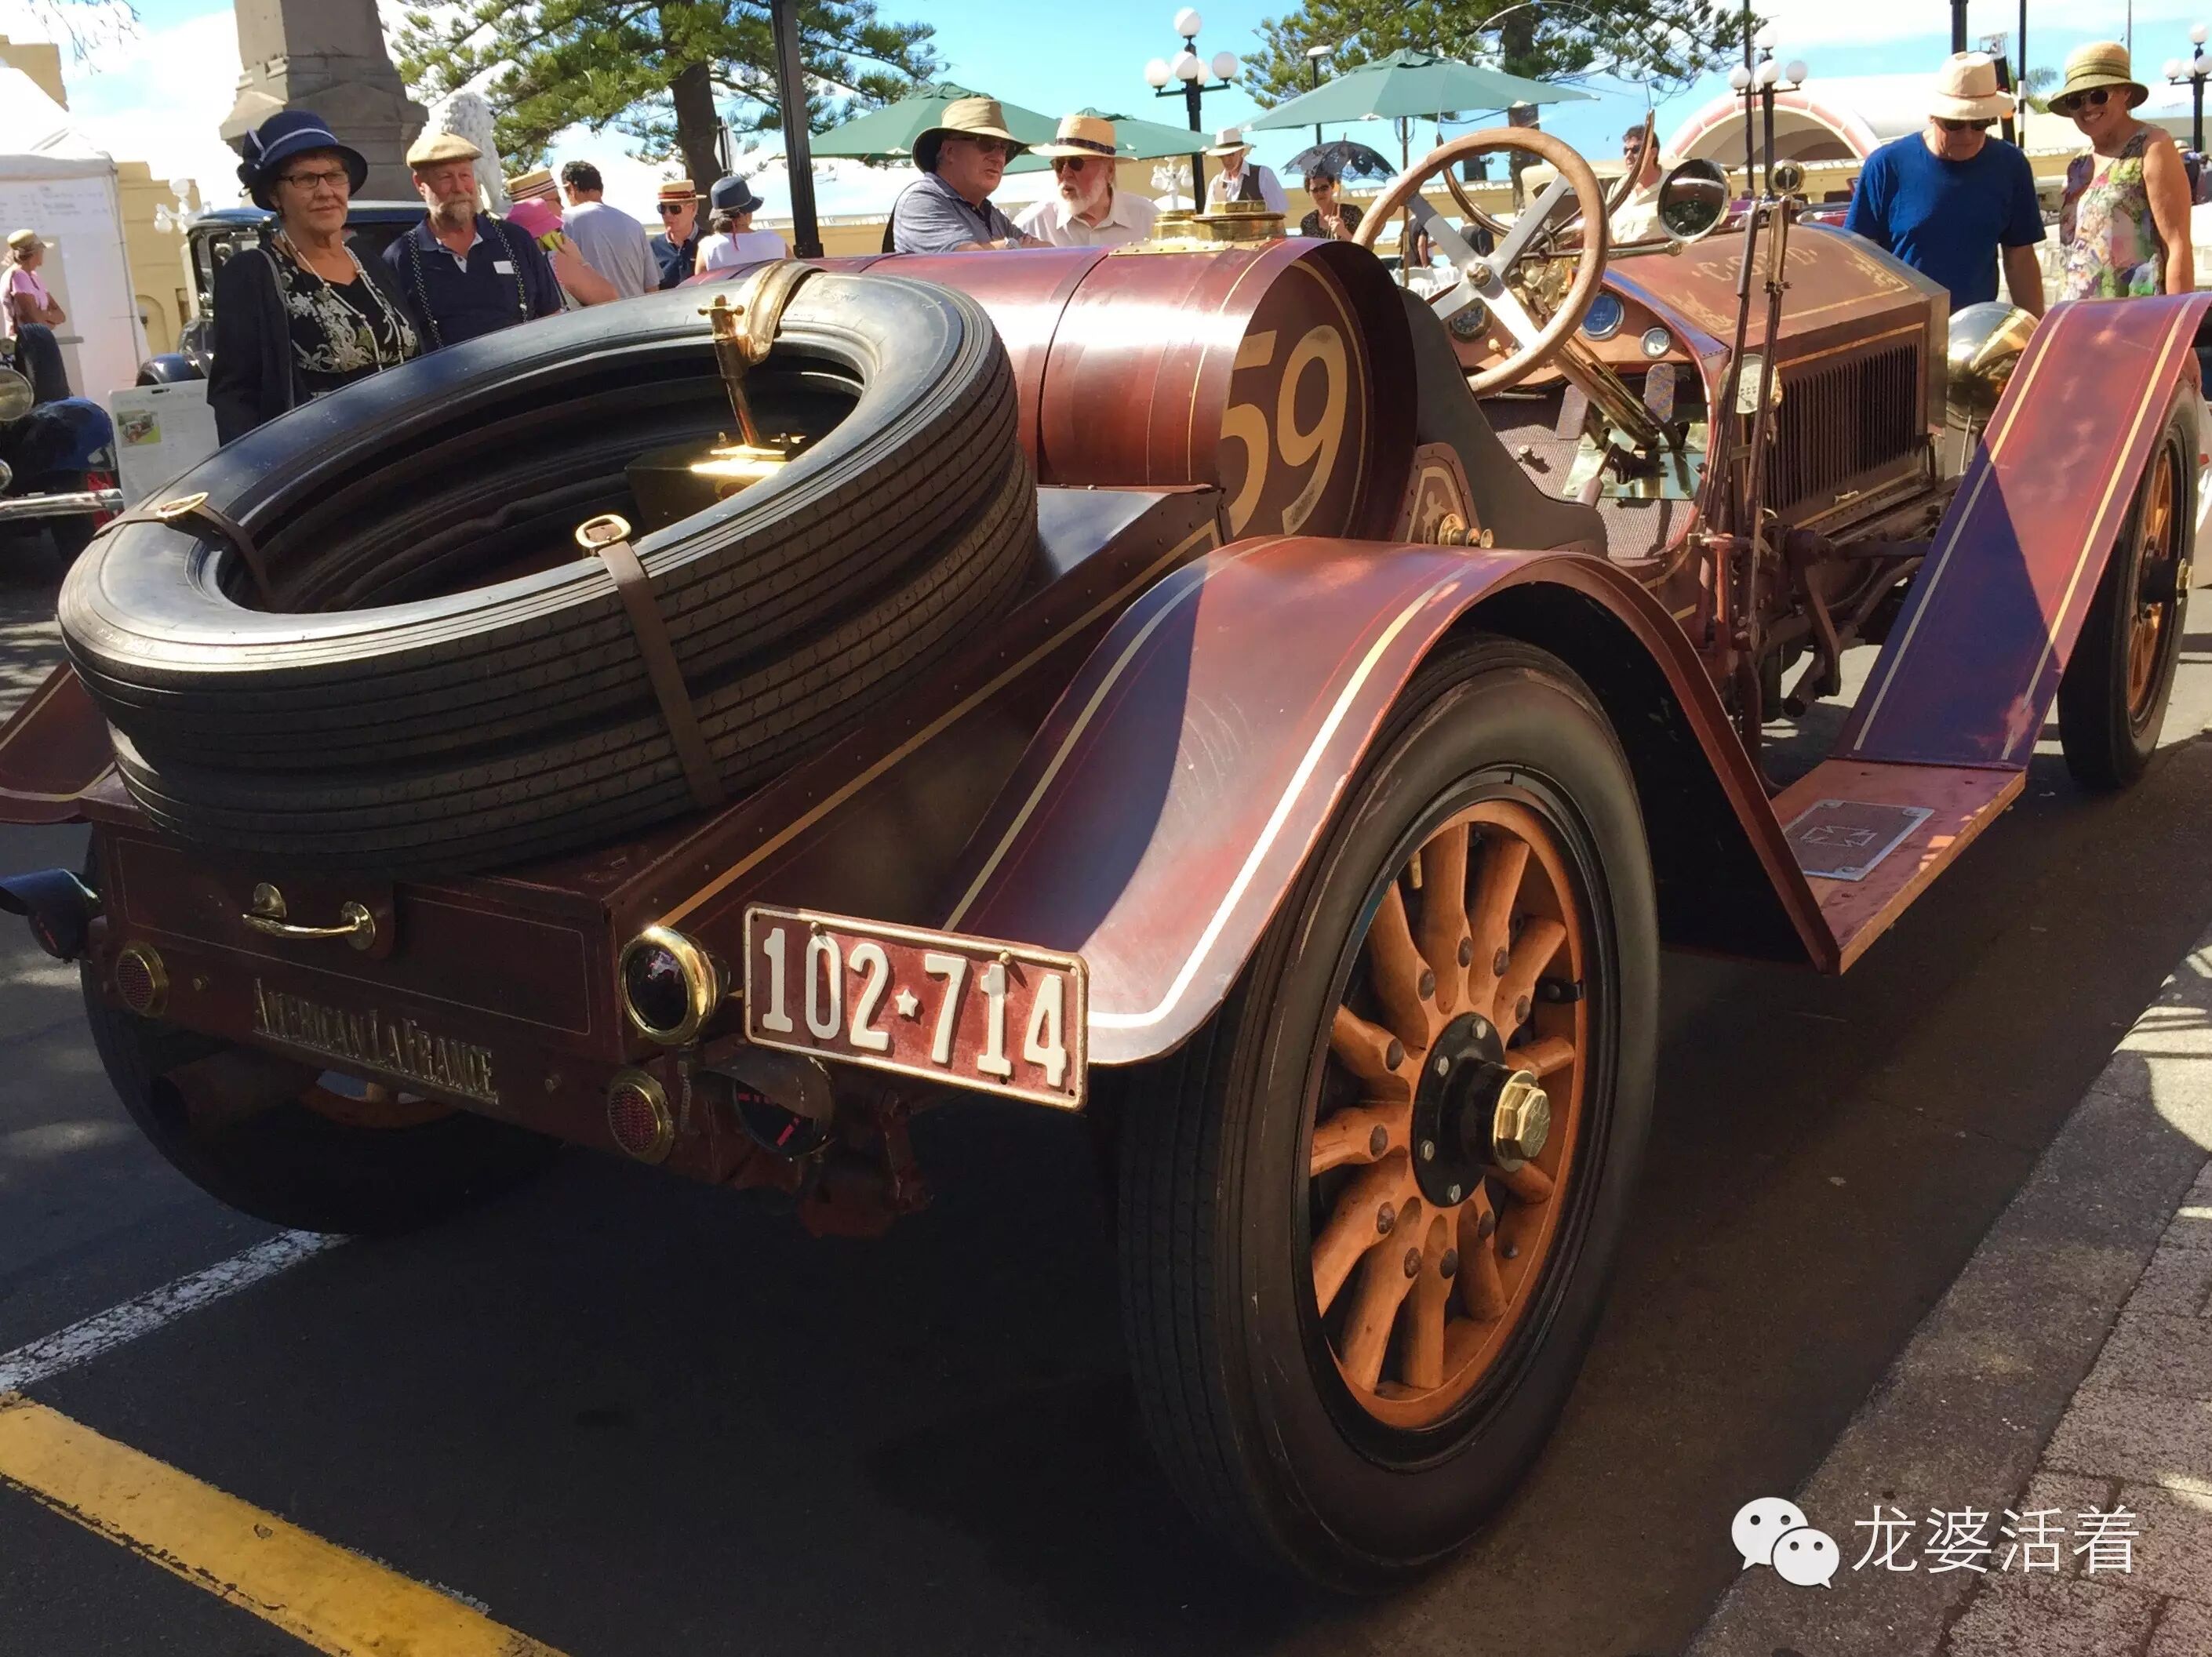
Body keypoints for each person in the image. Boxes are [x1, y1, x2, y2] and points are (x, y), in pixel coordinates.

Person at [206, 111, 422, 445]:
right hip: (327, 461)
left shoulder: (368, 261)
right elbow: (236, 398)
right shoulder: (253, 274)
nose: (325, 191)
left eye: (334, 176)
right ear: (275, 195)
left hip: (412, 449)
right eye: (306, 179)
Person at [1842, 52, 2045, 315]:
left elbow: (2020, 258)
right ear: (1932, 116)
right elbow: (1858, 259)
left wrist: (2037, 330)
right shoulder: (1886, 166)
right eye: (1955, 124)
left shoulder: (2011, 165)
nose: (1968, 136)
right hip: (1903, 326)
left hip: (1976, 328)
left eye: (1980, 124)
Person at [385, 132, 562, 350]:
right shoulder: (400, 258)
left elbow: (551, 316)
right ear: (420, 184)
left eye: (465, 175)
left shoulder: (515, 240)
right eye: (446, 177)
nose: (459, 187)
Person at [2053, 42, 2196, 299]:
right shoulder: (2078, 165)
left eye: (2098, 96)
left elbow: (2177, 245)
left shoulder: (2152, 146)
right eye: (2075, 100)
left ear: (2125, 93)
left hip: (2138, 316)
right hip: (2079, 316)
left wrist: (2179, 318)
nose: (2088, 107)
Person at [886, 97, 1040, 253]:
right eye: (986, 143)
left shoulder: (989, 213)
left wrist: (1008, 247)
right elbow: (970, 259)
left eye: (1004, 148)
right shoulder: (920, 201)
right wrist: (1014, 245)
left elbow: (1047, 250)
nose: (998, 157)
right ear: (950, 151)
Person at [1015, 114, 1158, 248]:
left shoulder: (1148, 219)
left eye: (1076, 163)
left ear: (1109, 170)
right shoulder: (1031, 226)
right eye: (1059, 164)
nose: (1065, 174)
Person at [504, 169, 622, 307]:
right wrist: (581, 262)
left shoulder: (507, 265)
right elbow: (610, 298)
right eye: (557, 200)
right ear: (541, 205)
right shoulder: (554, 260)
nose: (562, 207)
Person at [558, 159, 653, 298]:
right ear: (600, 188)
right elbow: (652, 286)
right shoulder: (634, 225)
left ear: (570, 188)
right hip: (638, 310)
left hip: (597, 311)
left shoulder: (564, 222)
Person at [3, 229, 70, 403]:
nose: (43, 254)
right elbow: (32, 319)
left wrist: (44, 316)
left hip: (40, 344)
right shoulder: (17, 276)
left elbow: (61, 315)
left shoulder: (33, 276)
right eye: (41, 250)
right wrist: (49, 320)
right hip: (25, 348)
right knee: (42, 398)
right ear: (33, 253)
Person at [695, 176, 791, 272]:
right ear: (743, 215)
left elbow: (699, 281)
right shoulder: (774, 240)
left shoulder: (707, 248)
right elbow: (795, 273)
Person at [1203, 128, 1289, 214]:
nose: (1226, 160)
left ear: (1241, 151)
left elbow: (1279, 211)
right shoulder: (1216, 183)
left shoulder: (1263, 175)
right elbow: (1209, 216)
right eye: (1221, 156)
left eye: (1230, 155)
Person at [1610, 123, 1666, 242]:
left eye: (1635, 150)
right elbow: (1607, 232)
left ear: (1653, 153)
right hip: (1619, 254)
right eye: (1626, 150)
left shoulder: (1673, 188)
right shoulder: (1617, 188)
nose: (1628, 156)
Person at [650, 179, 700, 289]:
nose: (667, 214)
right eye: (662, 208)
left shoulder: (709, 244)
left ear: (693, 209)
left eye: (675, 209)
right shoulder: (652, 248)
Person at [1297, 167, 1362, 241]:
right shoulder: (1307, 222)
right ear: (1309, 193)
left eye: (1324, 188)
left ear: (1332, 188)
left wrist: (1344, 232)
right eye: (1315, 190)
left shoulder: (1352, 212)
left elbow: (1365, 245)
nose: (1320, 193)